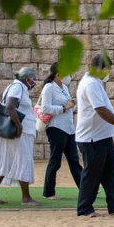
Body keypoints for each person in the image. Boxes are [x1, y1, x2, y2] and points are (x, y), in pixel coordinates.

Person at [75, 53, 114, 217]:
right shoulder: (90, 84)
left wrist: (110, 128)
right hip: (91, 138)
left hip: (102, 136)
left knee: (111, 169)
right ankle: (84, 208)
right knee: (93, 173)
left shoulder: (95, 83)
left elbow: (102, 110)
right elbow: (100, 109)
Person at [0, 67, 41, 206]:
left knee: (5, 161)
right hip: (18, 133)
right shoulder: (18, 87)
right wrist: (19, 126)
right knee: (23, 160)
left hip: (14, 132)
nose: (34, 81)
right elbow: (10, 106)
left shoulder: (17, 87)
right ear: (26, 79)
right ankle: (26, 198)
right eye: (33, 79)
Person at [40, 62, 82, 200]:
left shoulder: (64, 86)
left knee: (74, 159)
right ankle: (49, 192)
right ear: (57, 74)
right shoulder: (49, 87)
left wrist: (72, 105)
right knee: (55, 160)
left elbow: (70, 107)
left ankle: (84, 187)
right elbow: (45, 108)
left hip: (69, 128)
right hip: (56, 128)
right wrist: (64, 107)